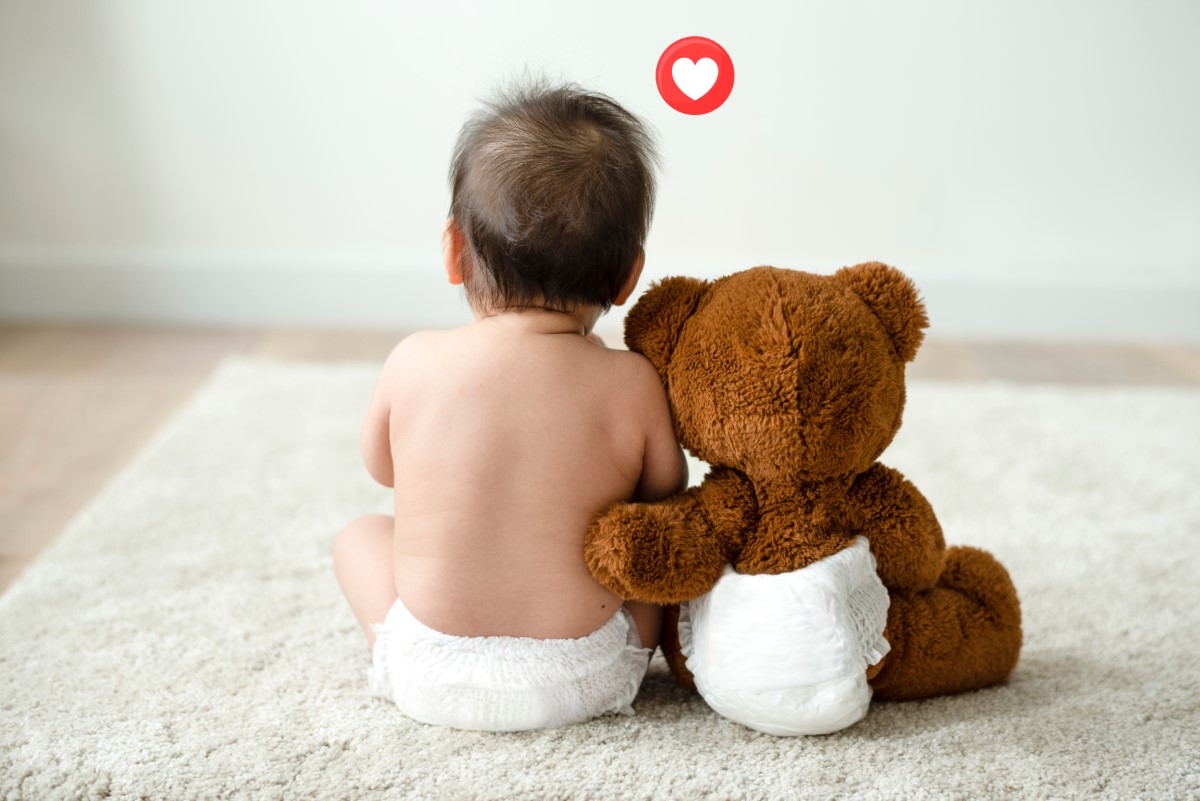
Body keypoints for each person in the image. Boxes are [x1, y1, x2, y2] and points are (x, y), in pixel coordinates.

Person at [332, 82, 688, 731]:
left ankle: (405, 653)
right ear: (628, 276)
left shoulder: (414, 359)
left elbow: (382, 470)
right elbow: (666, 491)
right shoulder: (630, 380)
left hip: (430, 671)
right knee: (653, 562)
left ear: (453, 250)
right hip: (585, 672)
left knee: (361, 536)